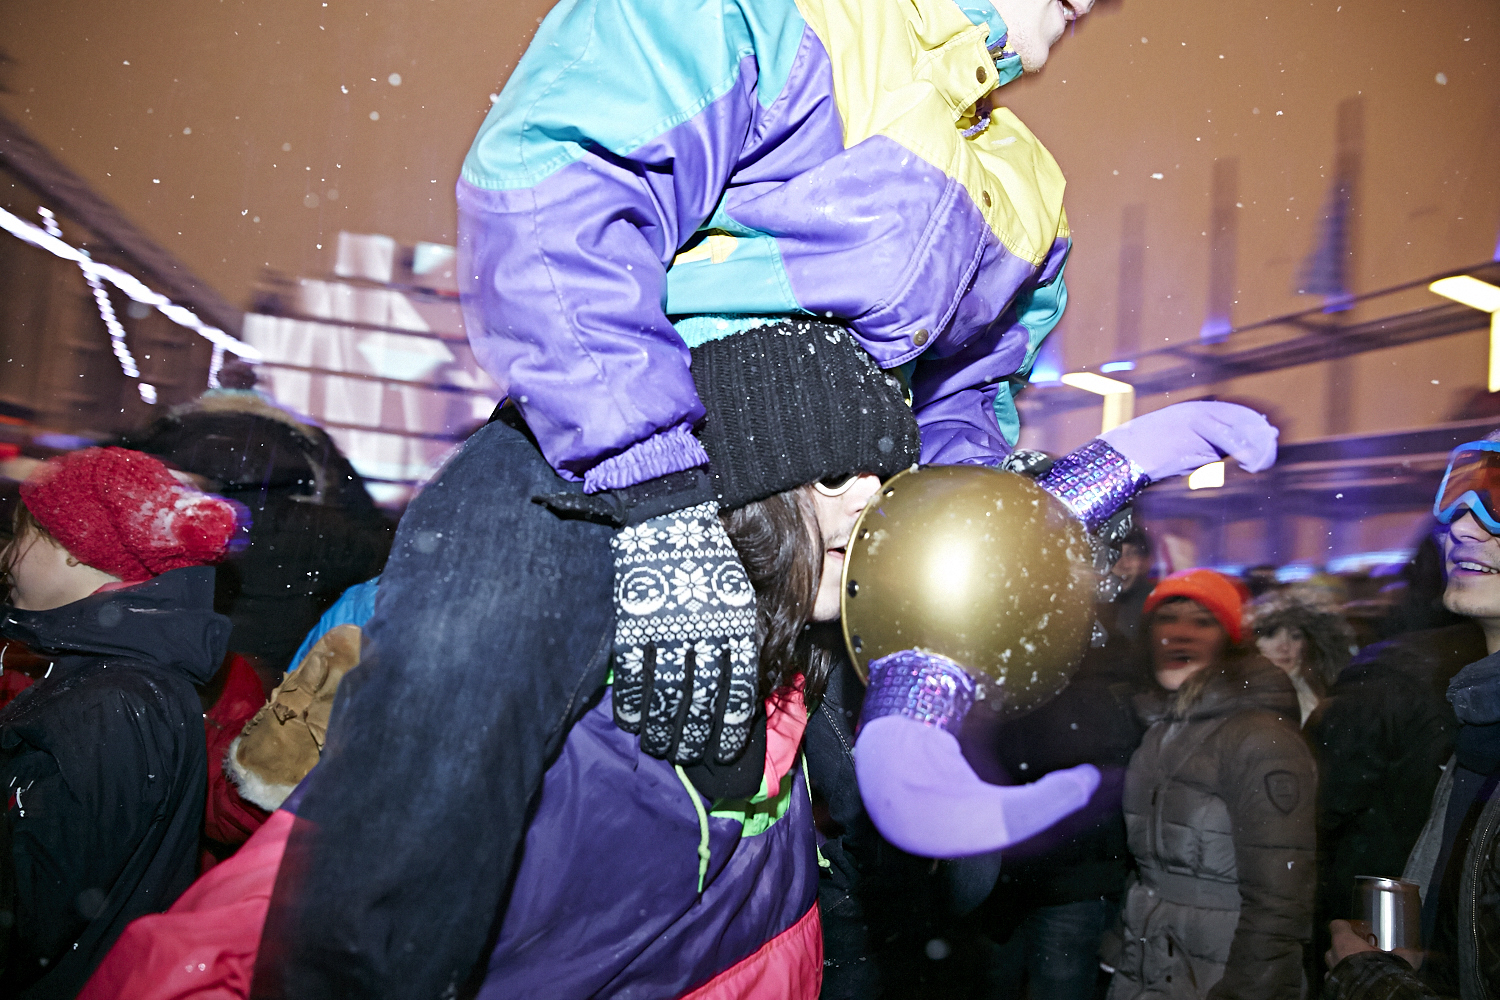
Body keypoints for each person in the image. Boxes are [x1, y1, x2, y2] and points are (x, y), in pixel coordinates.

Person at [0, 447, 237, 998]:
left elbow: (37, 910)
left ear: (76, 550)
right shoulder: (111, 679)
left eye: (21, 535)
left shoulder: (114, 704)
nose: (7, 555)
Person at [1324, 433, 1500, 999]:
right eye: (1458, 492)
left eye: (1497, 501)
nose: (1464, 525)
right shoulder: (1475, 724)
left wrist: (1367, 980)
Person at [1107, 569, 1316, 1000]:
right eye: (1168, 619)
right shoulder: (1159, 729)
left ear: (1230, 643)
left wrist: (1248, 991)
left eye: (1203, 621)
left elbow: (1280, 901)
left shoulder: (1259, 737)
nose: (1181, 633)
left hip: (1221, 976)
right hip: (1151, 969)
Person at [1250, 586, 1356, 726]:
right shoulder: (1246, 693)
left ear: (1307, 643)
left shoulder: (1320, 686)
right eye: (1271, 635)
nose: (1284, 646)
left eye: (1295, 636)